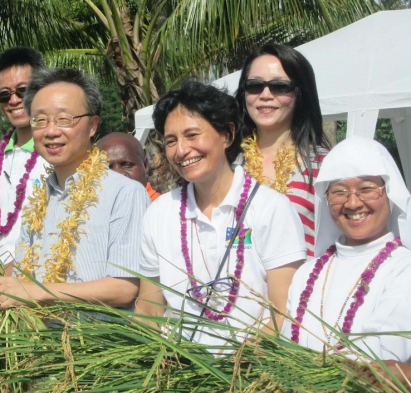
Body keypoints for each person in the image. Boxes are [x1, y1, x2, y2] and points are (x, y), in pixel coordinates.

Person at [0, 68, 150, 312]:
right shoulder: (39, 198)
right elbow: (24, 272)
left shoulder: (124, 193)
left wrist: (36, 292)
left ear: (92, 125)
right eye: (40, 120)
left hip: (96, 344)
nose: (51, 131)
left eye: (64, 119)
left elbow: (123, 289)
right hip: (38, 342)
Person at [136, 80, 307, 346]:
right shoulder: (159, 213)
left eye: (192, 135)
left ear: (227, 135)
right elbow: (149, 310)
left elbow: (284, 311)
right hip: (177, 372)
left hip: (252, 369)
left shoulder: (270, 208)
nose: (181, 151)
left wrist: (237, 366)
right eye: (171, 140)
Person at [283, 137, 411, 361]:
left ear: (390, 193)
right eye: (339, 192)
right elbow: (286, 348)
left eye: (367, 189)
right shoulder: (306, 274)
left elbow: (382, 354)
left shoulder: (404, 268)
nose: (353, 203)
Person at [235, 44, 331, 257]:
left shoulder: (326, 166)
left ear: (300, 93)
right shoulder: (228, 165)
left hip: (304, 287)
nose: (265, 95)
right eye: (254, 86)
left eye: (279, 87)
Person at [0, 47, 51, 264]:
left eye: (23, 90)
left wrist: (14, 273)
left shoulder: (55, 155)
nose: (14, 100)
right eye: (4, 95)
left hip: (40, 282)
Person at [98, 132, 160, 201]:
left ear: (145, 166)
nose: (118, 174)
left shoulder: (162, 208)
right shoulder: (90, 209)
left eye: (127, 165)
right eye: (107, 168)